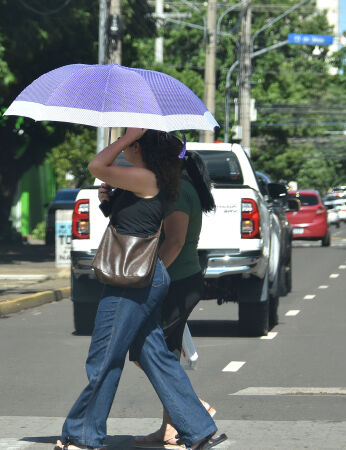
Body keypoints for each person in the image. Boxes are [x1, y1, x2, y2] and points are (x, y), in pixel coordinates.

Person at [55, 129, 226, 450]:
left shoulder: (146, 177)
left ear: (139, 147)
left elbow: (95, 165)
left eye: (129, 143)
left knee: (104, 356)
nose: (122, 148)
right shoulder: (145, 179)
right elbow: (132, 224)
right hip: (142, 275)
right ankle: (199, 428)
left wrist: (124, 137)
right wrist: (109, 204)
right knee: (154, 356)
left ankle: (82, 435)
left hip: (134, 279)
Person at [131, 152, 218, 448]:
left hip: (176, 283)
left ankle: (196, 407)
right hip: (183, 280)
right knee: (163, 354)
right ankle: (169, 429)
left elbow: (176, 240)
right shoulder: (182, 187)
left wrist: (152, 276)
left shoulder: (178, 192)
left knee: (146, 350)